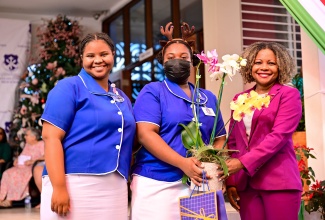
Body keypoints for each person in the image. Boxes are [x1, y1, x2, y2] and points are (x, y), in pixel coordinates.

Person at [130, 22, 227, 220]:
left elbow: (220, 137)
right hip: (157, 182)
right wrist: (183, 163)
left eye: (184, 58)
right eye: (170, 58)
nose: (178, 62)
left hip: (200, 182)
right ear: (162, 63)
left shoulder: (208, 97)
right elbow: (145, 134)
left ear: (192, 61)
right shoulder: (153, 92)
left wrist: (210, 161)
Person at [40, 32, 136, 220]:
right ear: (82, 58)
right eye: (90, 56)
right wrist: (59, 187)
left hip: (115, 186)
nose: (98, 60)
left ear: (113, 55)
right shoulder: (69, 87)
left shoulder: (122, 97)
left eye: (104, 54)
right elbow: (51, 138)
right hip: (74, 183)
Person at [223, 42, 302, 220]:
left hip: (279, 182)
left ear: (280, 66)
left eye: (271, 63)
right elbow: (233, 142)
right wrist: (231, 181)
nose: (264, 67)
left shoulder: (288, 95)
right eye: (258, 62)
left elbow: (278, 137)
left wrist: (242, 163)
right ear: (250, 65)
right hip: (246, 185)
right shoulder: (240, 99)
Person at [0, 127, 44, 207]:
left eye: (26, 135)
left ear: (33, 137)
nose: (25, 137)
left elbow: (45, 156)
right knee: (7, 173)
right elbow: (22, 155)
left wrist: (34, 160)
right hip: (20, 166)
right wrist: (17, 159)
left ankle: (10, 199)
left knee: (16, 175)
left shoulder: (41, 144)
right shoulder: (27, 145)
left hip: (31, 167)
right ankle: (1, 199)